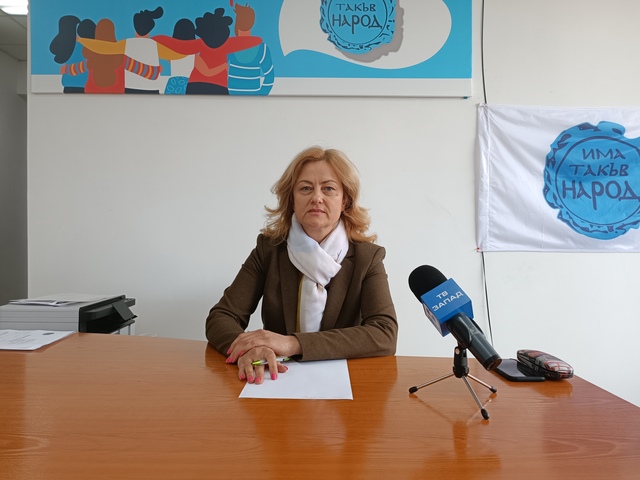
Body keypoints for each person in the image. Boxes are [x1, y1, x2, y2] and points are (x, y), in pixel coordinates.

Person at [206, 146, 398, 384]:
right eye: (306, 188)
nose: (317, 197)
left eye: (328, 188)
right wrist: (250, 349)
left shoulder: (366, 258)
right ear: (292, 200)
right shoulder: (269, 250)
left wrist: (292, 343)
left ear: (345, 201)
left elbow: (384, 333)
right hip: (277, 379)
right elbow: (222, 317)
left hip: (345, 383)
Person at [227, 3, 274, 95]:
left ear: (237, 22)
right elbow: (270, 77)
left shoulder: (230, 46)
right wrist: (260, 95)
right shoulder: (262, 48)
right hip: (237, 98)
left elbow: (269, 76)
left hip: (233, 97)